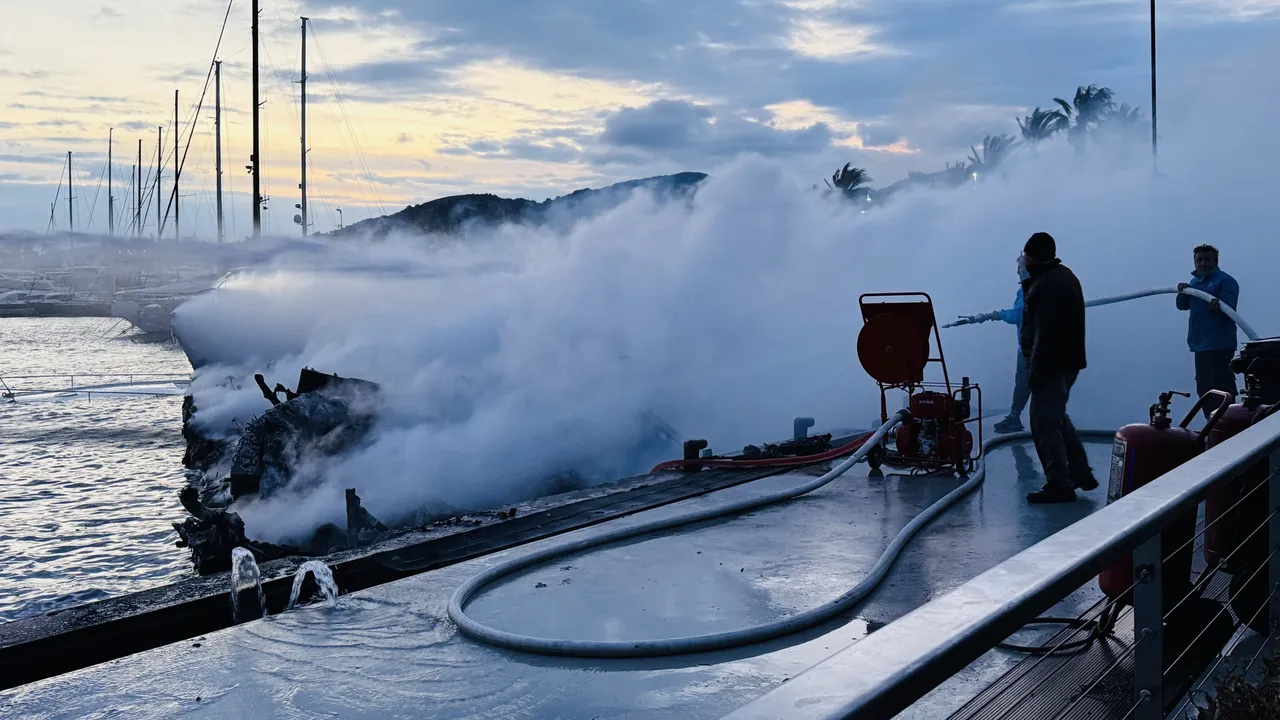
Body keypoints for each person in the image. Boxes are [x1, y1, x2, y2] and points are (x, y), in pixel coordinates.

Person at [1020, 232, 1097, 504]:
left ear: (1036, 256)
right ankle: (1080, 473)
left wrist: (1036, 369)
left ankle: (1059, 483)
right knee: (1057, 417)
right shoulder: (1062, 276)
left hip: (1051, 363)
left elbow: (1045, 332)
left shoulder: (1046, 285)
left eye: (1026, 255)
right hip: (1067, 361)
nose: (1022, 260)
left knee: (1043, 422)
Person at [1176, 245, 1239, 418]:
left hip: (1219, 345)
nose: (1203, 263)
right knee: (1205, 389)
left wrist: (1216, 306)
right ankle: (1212, 427)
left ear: (1215, 261)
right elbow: (1182, 306)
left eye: (1207, 259)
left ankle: (1227, 426)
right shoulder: (1195, 283)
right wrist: (1183, 291)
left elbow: (1229, 308)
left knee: (1222, 389)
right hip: (1199, 345)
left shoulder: (1226, 281)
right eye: (1199, 260)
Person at [993, 257, 1030, 433]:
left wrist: (999, 314)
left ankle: (1014, 418)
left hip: (1030, 348)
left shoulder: (1028, 288)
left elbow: (1018, 315)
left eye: (1020, 267)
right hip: (1041, 347)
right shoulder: (1041, 285)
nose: (1018, 271)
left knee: (1024, 383)